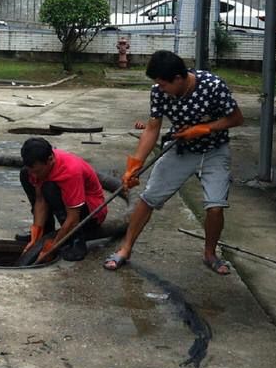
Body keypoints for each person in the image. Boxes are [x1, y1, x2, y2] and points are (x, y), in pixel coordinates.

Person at [104, 50, 243, 274]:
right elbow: (152, 128)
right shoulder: (158, 92)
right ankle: (125, 249)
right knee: (148, 198)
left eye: (163, 84)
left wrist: (203, 128)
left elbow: (236, 118)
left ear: (178, 78)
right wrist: (134, 165)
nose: (160, 88)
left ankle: (210, 254)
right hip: (181, 150)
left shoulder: (213, 86)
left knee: (215, 207)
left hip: (214, 151)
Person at [18, 137, 107, 262]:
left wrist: (52, 248)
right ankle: (45, 233)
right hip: (68, 208)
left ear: (50, 160)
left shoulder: (70, 171)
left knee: (50, 188)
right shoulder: (37, 169)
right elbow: (40, 201)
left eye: (37, 171)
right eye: (32, 171)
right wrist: (36, 235)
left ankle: (76, 240)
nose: (34, 175)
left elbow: (73, 218)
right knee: (25, 175)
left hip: (89, 215)